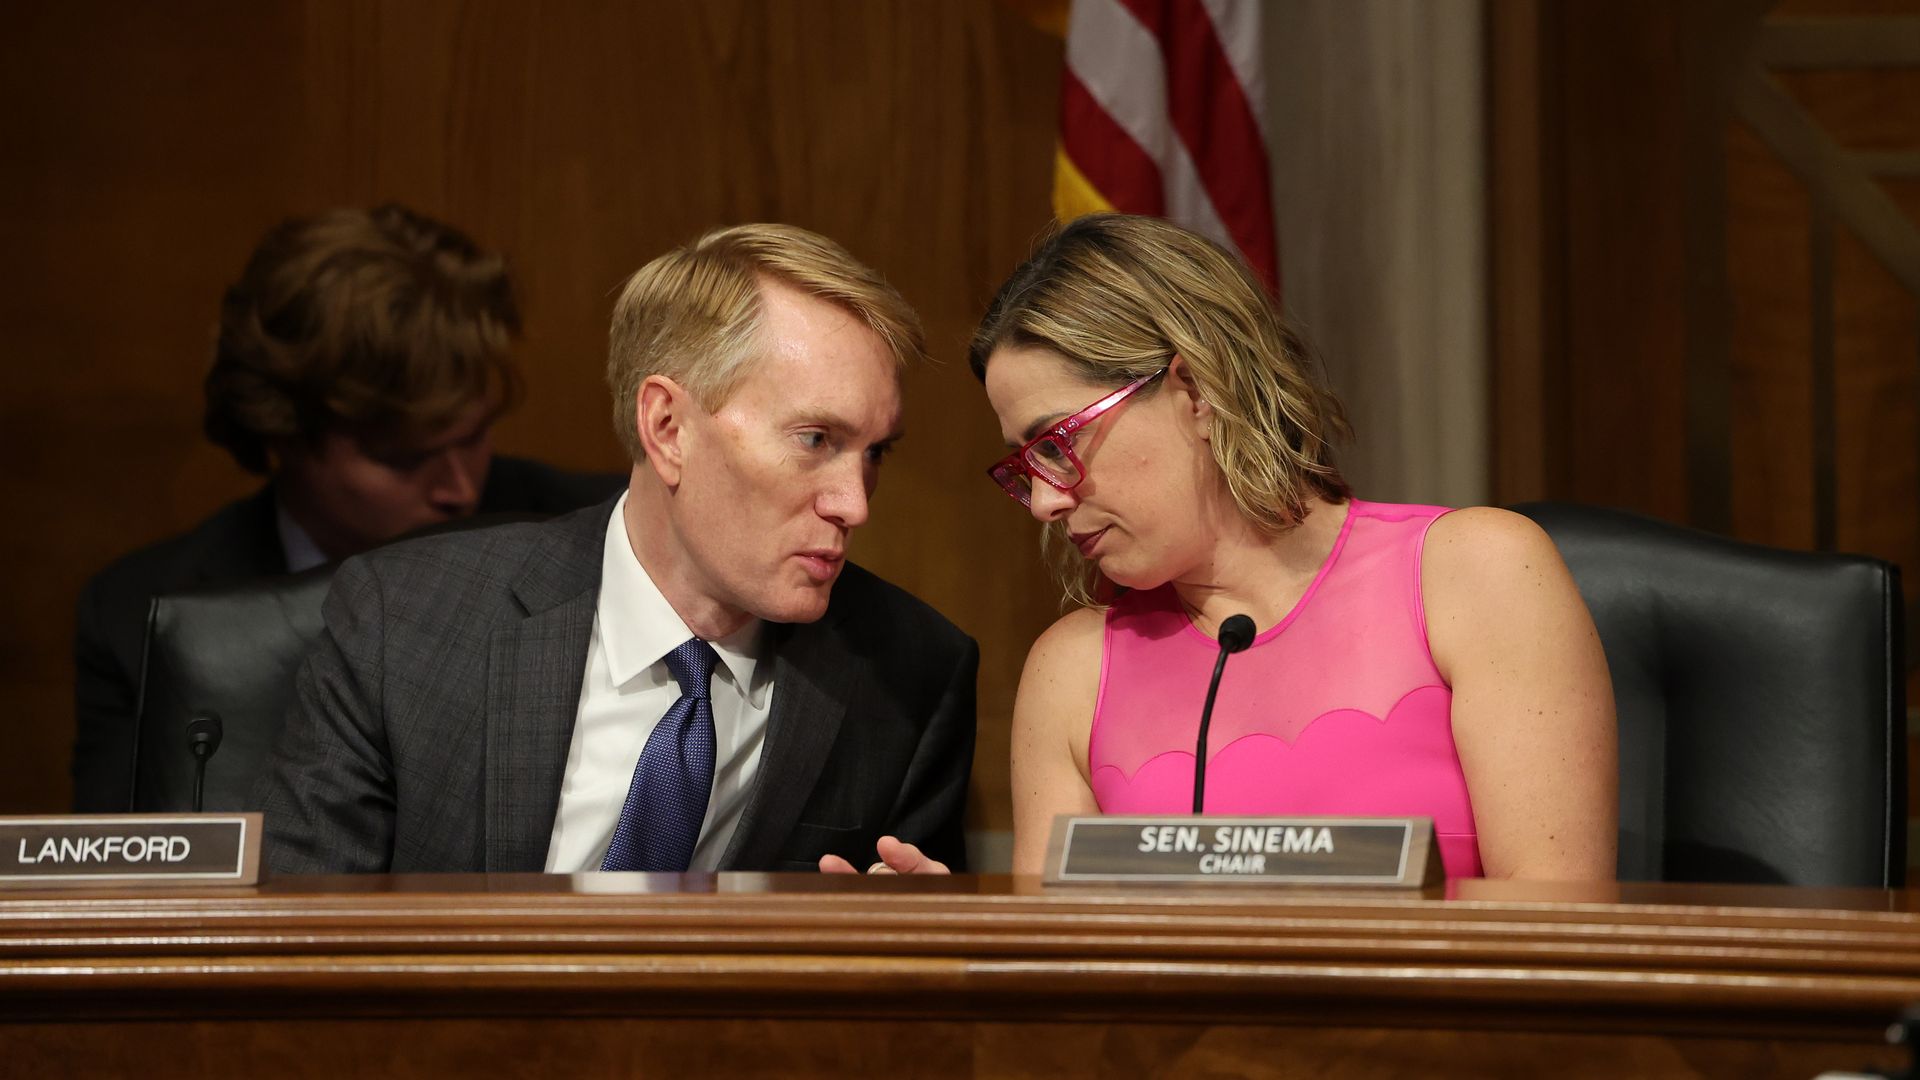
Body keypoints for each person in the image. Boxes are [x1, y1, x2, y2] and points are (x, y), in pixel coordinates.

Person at [831, 213, 1616, 881]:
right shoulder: (1069, 672)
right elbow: (1069, 993)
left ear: (1196, 390)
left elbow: (1560, 935)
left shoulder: (1477, 573)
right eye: (1024, 466)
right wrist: (961, 940)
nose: (1043, 500)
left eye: (1059, 443)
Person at [253, 223, 978, 874]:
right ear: (668, 428)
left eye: (874, 451)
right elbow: (294, 953)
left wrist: (904, 955)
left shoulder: (908, 673)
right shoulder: (407, 621)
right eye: (815, 440)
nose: (854, 503)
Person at [73, 204, 621, 812]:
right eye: (403, 458)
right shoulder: (140, 613)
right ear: (283, 435)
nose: (460, 488)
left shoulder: (601, 538)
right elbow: (126, 880)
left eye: (474, 436)